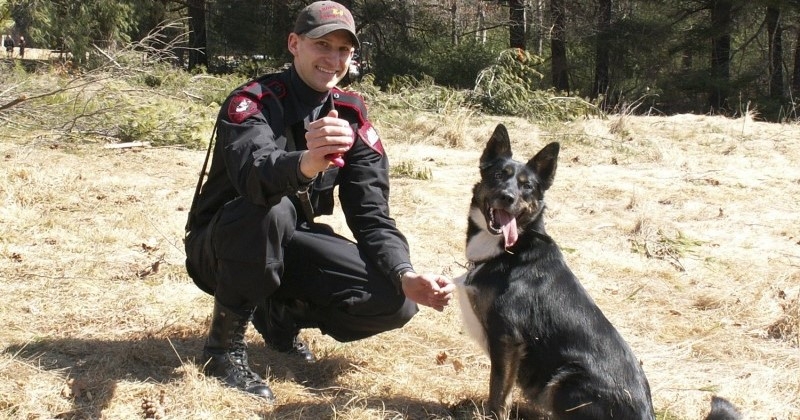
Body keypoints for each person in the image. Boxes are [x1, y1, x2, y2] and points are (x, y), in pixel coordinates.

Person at [184, 1, 454, 402]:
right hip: (222, 246)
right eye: (322, 44)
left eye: (343, 50)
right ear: (294, 44)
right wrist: (307, 163)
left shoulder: (351, 116)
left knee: (396, 302)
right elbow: (255, 178)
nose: (333, 58)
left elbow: (372, 215)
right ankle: (223, 352)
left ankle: (280, 317)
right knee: (271, 206)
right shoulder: (253, 102)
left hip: (288, 242)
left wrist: (403, 273)